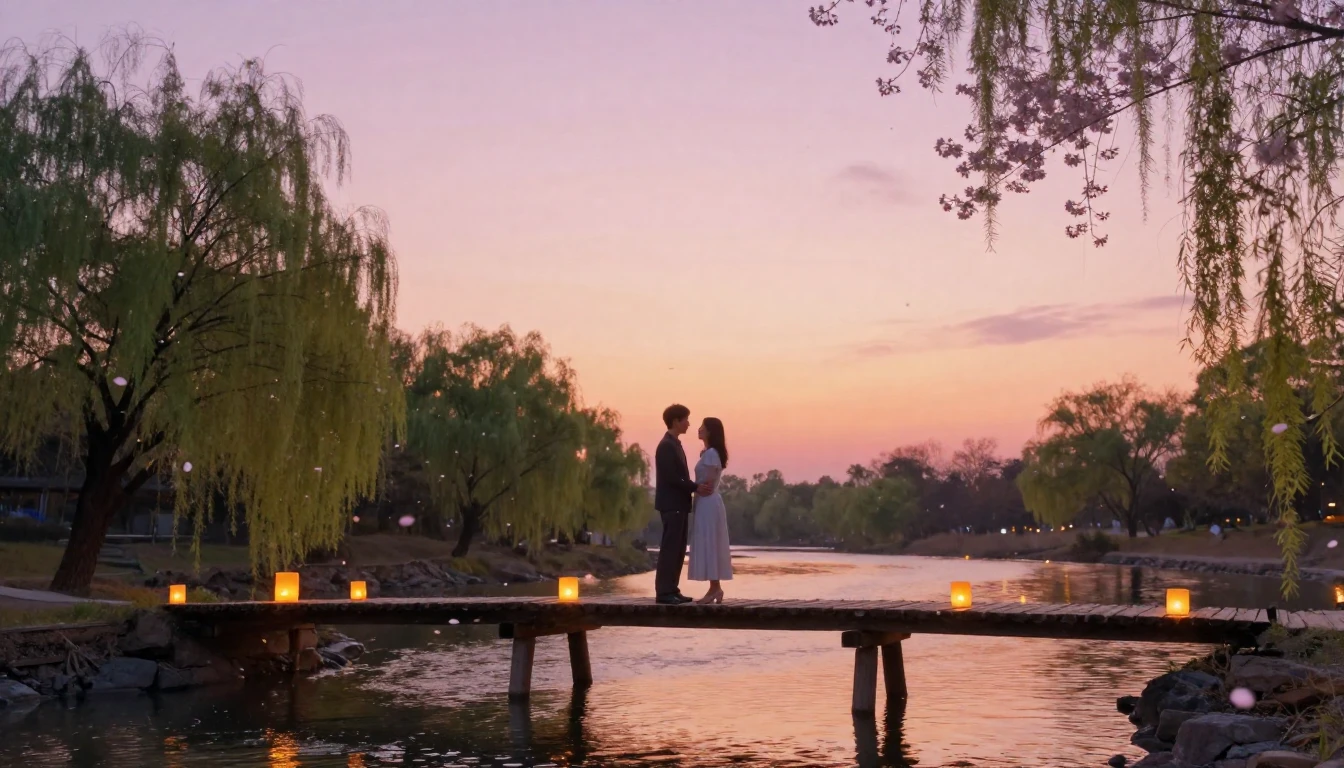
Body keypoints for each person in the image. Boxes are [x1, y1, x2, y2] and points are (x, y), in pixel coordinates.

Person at [653, 404, 711, 605]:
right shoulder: (666, 446)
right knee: (670, 548)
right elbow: (672, 478)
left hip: (680, 504)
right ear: (676, 421)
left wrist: (692, 489)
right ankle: (663, 592)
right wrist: (695, 487)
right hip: (671, 505)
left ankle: (672, 588)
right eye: (686, 419)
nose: (688, 423)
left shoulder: (675, 444)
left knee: (678, 549)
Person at [687, 417, 732, 603]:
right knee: (708, 542)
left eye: (702, 427)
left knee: (710, 541)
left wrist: (703, 488)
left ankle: (714, 588)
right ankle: (715, 588)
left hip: (709, 502)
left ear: (710, 431)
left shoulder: (712, 453)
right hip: (705, 502)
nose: (698, 429)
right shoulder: (707, 453)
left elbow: (711, 480)